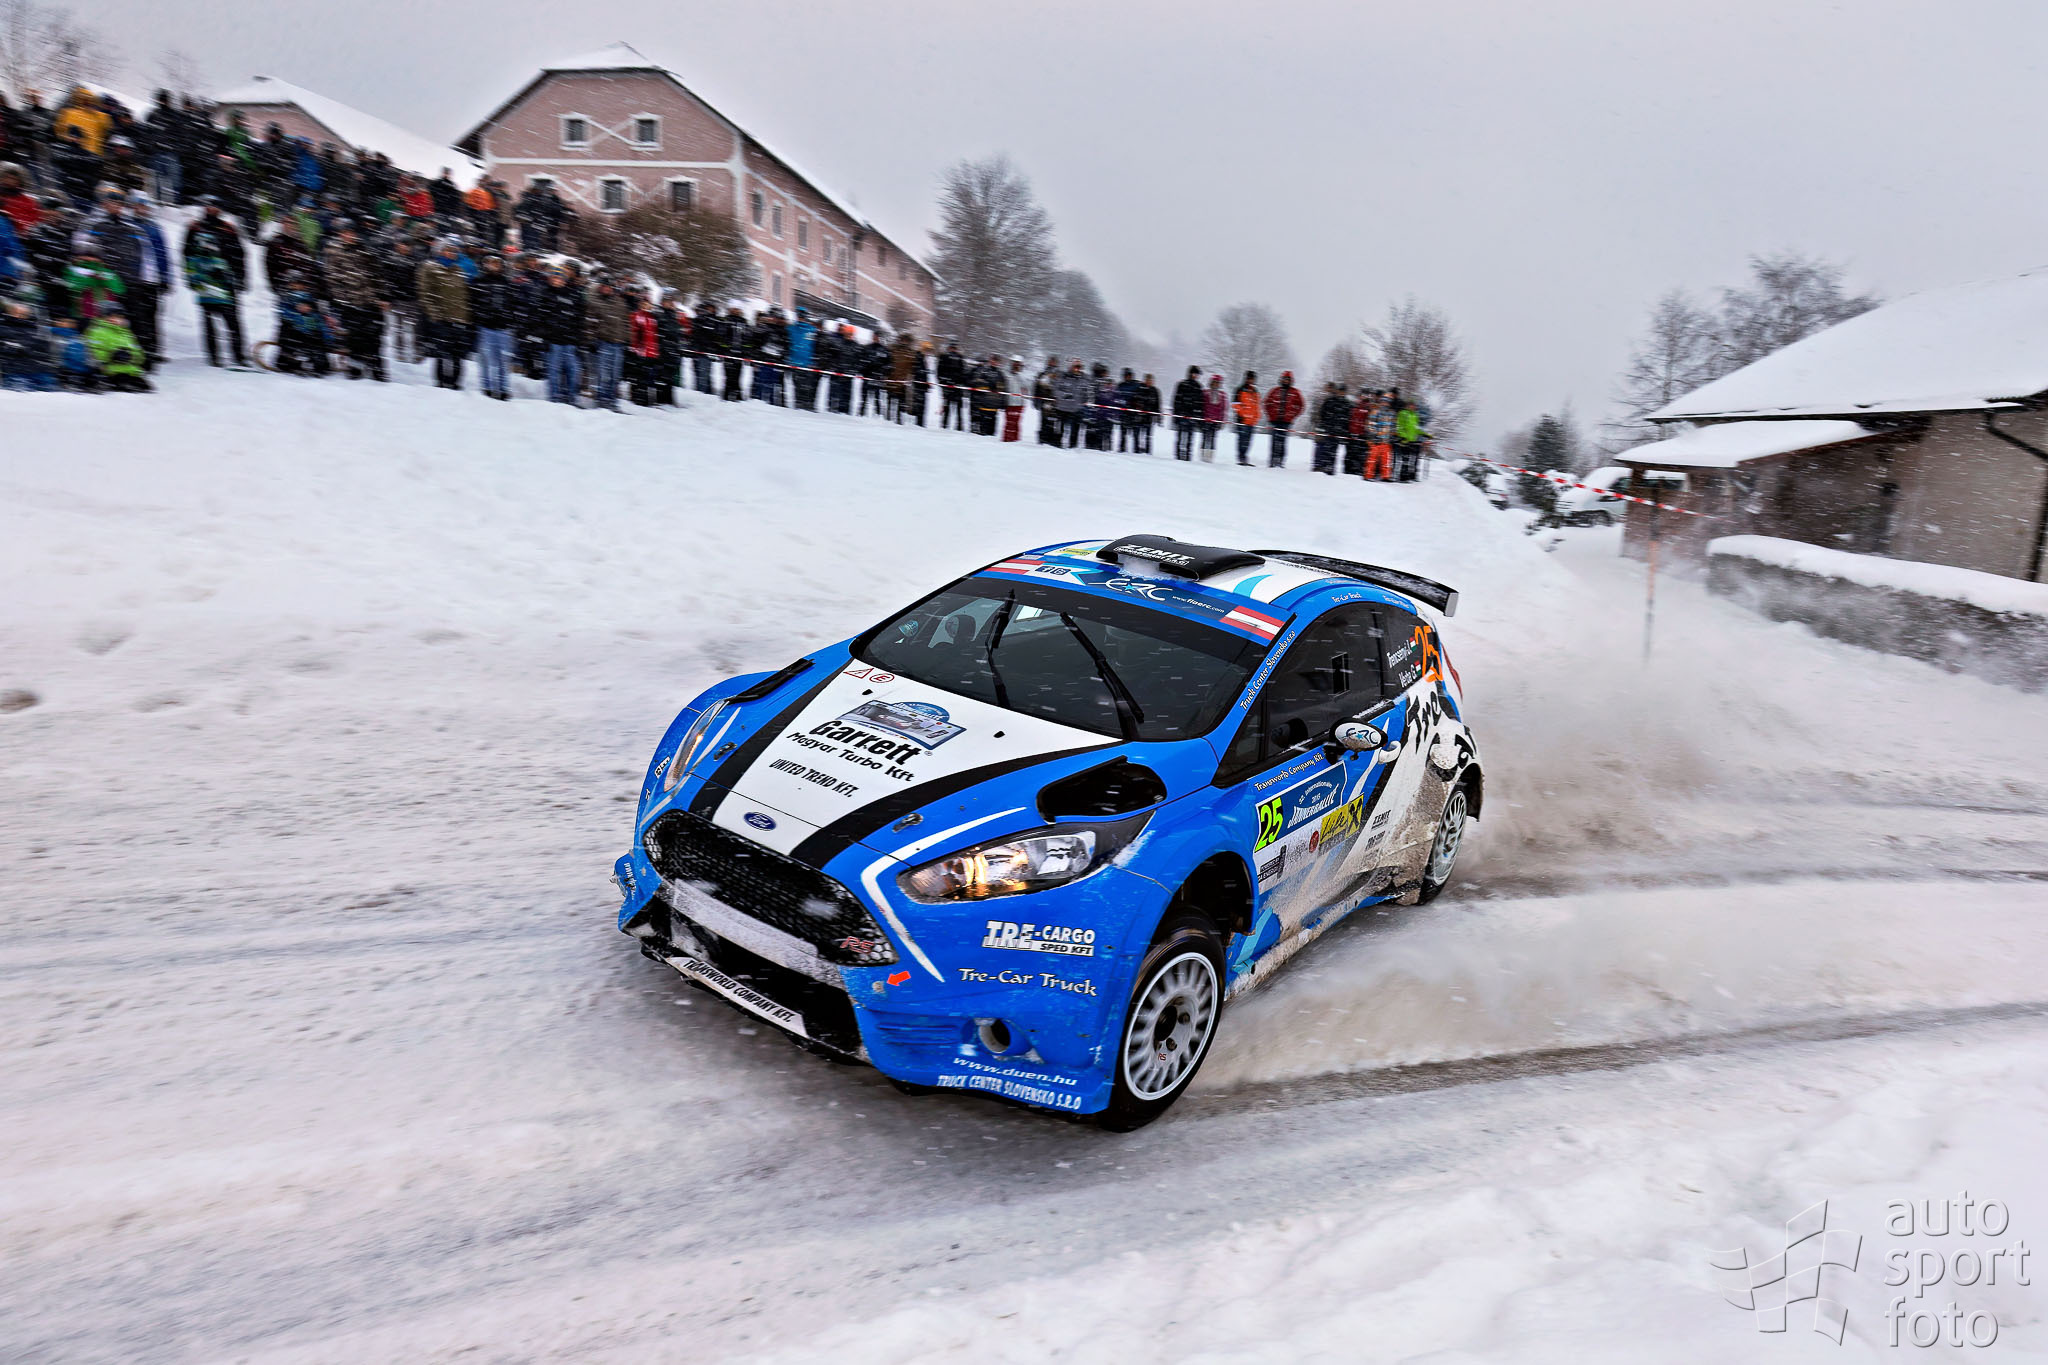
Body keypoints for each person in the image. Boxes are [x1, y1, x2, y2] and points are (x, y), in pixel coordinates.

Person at [320, 219, 387, 380]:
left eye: (351, 233)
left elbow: (377, 275)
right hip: (350, 302)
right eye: (345, 233)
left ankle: (376, 367)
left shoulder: (365, 249)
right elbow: (332, 279)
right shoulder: (334, 251)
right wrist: (342, 299)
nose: (349, 236)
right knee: (354, 337)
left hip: (370, 300)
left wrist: (383, 296)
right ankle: (355, 368)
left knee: (375, 336)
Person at [184, 235, 247, 368]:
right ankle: (213, 357)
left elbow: (229, 278)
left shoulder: (219, 260)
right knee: (210, 329)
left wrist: (228, 279)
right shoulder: (193, 261)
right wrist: (207, 276)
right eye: (207, 244)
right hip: (207, 298)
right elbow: (191, 281)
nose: (210, 248)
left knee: (234, 326)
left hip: (224, 298)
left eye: (212, 245)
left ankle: (239, 356)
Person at [416, 237, 470, 390]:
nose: (452, 253)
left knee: (458, 354)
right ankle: (441, 383)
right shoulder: (429, 268)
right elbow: (425, 294)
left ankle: (455, 383)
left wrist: (465, 318)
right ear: (440, 251)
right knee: (442, 353)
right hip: (441, 319)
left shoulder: (458, 270)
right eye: (448, 250)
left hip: (459, 319)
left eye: (454, 251)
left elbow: (463, 296)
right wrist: (435, 315)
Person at [532, 264, 584, 404]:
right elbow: (539, 319)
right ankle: (554, 398)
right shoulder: (544, 294)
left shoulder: (573, 295)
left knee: (573, 371)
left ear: (564, 280)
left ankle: (571, 398)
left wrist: (578, 340)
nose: (556, 280)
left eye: (559, 278)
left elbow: (578, 319)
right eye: (554, 277)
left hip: (570, 341)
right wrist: (542, 338)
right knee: (553, 372)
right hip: (553, 341)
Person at [470, 252, 516, 399]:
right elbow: (473, 303)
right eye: (490, 263)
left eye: (496, 263)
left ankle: (503, 388)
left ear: (502, 265)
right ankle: (487, 386)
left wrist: (511, 319)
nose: (493, 266)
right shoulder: (479, 281)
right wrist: (479, 317)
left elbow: (513, 304)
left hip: (504, 327)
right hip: (485, 327)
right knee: (486, 359)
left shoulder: (507, 283)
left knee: (504, 360)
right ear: (485, 264)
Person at [83, 306, 151, 391]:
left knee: (144, 387)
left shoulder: (127, 334)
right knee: (121, 383)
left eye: (120, 317)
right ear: (104, 317)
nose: (117, 319)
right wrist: (112, 356)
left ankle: (125, 382)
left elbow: (139, 354)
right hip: (109, 370)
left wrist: (131, 356)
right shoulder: (96, 331)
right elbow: (92, 351)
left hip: (131, 371)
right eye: (113, 316)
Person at [588, 276, 630, 410]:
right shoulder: (595, 301)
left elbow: (626, 323)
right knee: (603, 373)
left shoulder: (620, 303)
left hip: (619, 343)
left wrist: (627, 340)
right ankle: (601, 399)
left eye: (609, 287)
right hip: (603, 342)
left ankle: (612, 400)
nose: (606, 289)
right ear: (600, 287)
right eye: (604, 286)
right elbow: (590, 323)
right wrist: (591, 339)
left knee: (615, 374)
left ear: (612, 288)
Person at [0, 297, 53, 390]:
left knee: (52, 394)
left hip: (41, 371)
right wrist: (14, 348)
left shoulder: (37, 328)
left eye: (23, 314)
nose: (19, 316)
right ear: (9, 313)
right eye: (16, 313)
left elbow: (45, 349)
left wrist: (32, 351)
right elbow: (4, 349)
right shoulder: (3, 328)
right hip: (15, 371)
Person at [1264, 371, 1304, 467]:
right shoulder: (1275, 390)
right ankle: (1272, 461)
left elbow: (1301, 406)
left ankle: (1280, 461)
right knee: (1274, 441)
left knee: (1282, 442)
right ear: (1281, 379)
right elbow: (1266, 403)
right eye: (1284, 379)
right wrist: (1270, 415)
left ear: (1291, 381)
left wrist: (1292, 415)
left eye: (1288, 379)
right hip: (1274, 421)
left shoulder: (1295, 392)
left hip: (1286, 422)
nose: (1286, 381)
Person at [749, 307, 788, 404]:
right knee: (760, 383)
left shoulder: (784, 331)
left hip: (776, 362)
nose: (775, 319)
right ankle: (756, 402)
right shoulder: (764, 327)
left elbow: (786, 347)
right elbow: (756, 342)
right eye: (774, 317)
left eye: (778, 317)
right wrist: (755, 359)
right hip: (763, 360)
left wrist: (782, 360)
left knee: (773, 385)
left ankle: (771, 404)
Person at [1313, 381, 1352, 475]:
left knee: (1334, 450)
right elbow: (1323, 413)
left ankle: (1330, 467)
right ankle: (1324, 466)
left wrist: (1344, 429)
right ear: (1337, 390)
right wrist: (1325, 424)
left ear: (1345, 392)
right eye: (1340, 390)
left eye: (1343, 391)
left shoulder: (1347, 403)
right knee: (1326, 447)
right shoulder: (1330, 400)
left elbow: (1348, 418)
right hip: (1329, 428)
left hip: (1339, 430)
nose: (1341, 393)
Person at [1052, 359, 1091, 447]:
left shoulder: (1083, 379)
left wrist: (1086, 399)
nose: (1077, 369)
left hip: (1076, 409)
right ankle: (1057, 446)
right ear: (1070, 367)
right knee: (1060, 429)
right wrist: (1064, 395)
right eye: (1075, 367)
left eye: (1079, 367)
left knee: (1075, 430)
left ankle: (1073, 447)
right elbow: (1055, 390)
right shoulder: (1063, 377)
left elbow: (1086, 392)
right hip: (1062, 408)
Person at [786, 307, 819, 411]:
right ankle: (798, 404)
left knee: (808, 387)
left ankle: (808, 404)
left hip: (808, 363)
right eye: (799, 316)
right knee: (797, 386)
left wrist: (814, 359)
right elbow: (787, 344)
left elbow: (815, 346)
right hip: (795, 362)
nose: (800, 318)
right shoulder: (791, 329)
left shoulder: (812, 330)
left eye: (802, 316)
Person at [1171, 365, 1205, 461]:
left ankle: (1188, 455)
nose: (1196, 376)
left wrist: (1199, 417)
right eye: (1195, 374)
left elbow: (1200, 403)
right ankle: (1178, 455)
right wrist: (1176, 415)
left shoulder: (1198, 386)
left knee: (1190, 437)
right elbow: (1176, 400)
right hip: (1181, 414)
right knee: (1180, 436)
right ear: (1190, 373)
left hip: (1192, 416)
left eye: (1197, 374)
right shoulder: (1182, 384)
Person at [1364, 389, 1396, 480]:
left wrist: (1392, 436)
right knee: (1372, 459)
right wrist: (1373, 436)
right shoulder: (1375, 411)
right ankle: (1368, 475)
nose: (1385, 403)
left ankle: (1386, 476)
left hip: (1386, 441)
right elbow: (1371, 425)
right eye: (1384, 401)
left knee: (1386, 460)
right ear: (1381, 401)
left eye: (1387, 402)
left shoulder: (1392, 413)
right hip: (1376, 440)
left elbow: (1393, 426)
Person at [1232, 372, 1261, 465]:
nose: (1250, 380)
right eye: (1249, 378)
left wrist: (1257, 416)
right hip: (1242, 420)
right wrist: (1243, 415)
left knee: (1248, 441)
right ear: (1246, 379)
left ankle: (1244, 457)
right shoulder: (1240, 389)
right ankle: (1241, 458)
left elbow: (1257, 405)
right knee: (1242, 440)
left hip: (1252, 421)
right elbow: (1235, 404)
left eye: (1252, 379)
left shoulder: (1255, 391)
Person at [936, 342, 967, 428]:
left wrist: (960, 382)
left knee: (958, 408)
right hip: (949, 386)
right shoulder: (944, 357)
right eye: (952, 348)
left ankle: (958, 426)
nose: (953, 350)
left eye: (954, 348)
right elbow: (939, 371)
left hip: (956, 386)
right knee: (947, 407)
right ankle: (945, 424)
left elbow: (963, 372)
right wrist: (943, 382)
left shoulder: (960, 358)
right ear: (949, 348)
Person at [1394, 396, 1425, 481]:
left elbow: (1416, 428)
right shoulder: (1403, 413)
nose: (1412, 406)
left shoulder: (1415, 415)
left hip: (1412, 441)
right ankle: (1402, 477)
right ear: (1408, 405)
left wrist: (1425, 434)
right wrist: (1404, 436)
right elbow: (1399, 427)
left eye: (1414, 405)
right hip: (1404, 440)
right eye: (1411, 405)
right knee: (1404, 458)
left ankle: (1406, 476)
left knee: (1410, 459)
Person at [1343, 390, 1374, 477]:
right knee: (1350, 453)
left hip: (1363, 435)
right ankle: (1348, 470)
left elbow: (1370, 421)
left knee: (1361, 454)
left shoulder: (1369, 408)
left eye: (1367, 395)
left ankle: (1358, 470)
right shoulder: (1353, 405)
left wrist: (1368, 433)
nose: (1364, 397)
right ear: (1360, 396)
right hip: (1351, 434)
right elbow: (1349, 419)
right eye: (1363, 395)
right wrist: (1347, 431)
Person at [1034, 356, 1061, 445]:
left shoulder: (1059, 375)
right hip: (1044, 402)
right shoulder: (1043, 374)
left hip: (1055, 403)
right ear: (1048, 362)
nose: (1052, 363)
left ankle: (1051, 440)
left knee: (1054, 422)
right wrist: (1036, 400)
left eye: (1054, 362)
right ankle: (1042, 439)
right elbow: (1037, 388)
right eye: (1051, 361)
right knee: (1043, 421)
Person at [1200, 374, 1227, 461]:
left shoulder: (1222, 395)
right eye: (1214, 382)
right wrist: (1201, 419)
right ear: (1211, 382)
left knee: (1213, 439)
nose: (1216, 384)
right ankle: (1203, 456)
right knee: (1204, 438)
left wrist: (1222, 421)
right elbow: (1202, 406)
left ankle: (1210, 457)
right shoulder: (1205, 393)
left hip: (1216, 421)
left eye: (1218, 382)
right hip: (1206, 419)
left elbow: (1223, 409)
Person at [1002, 358, 1027, 441]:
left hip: (1019, 403)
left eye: (1018, 365)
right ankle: (1007, 439)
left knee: (1016, 422)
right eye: (1015, 364)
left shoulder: (1023, 376)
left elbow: (1026, 389)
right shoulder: (1007, 375)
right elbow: (1004, 387)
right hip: (1009, 402)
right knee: (1009, 422)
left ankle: (1015, 440)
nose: (1016, 366)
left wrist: (1019, 373)